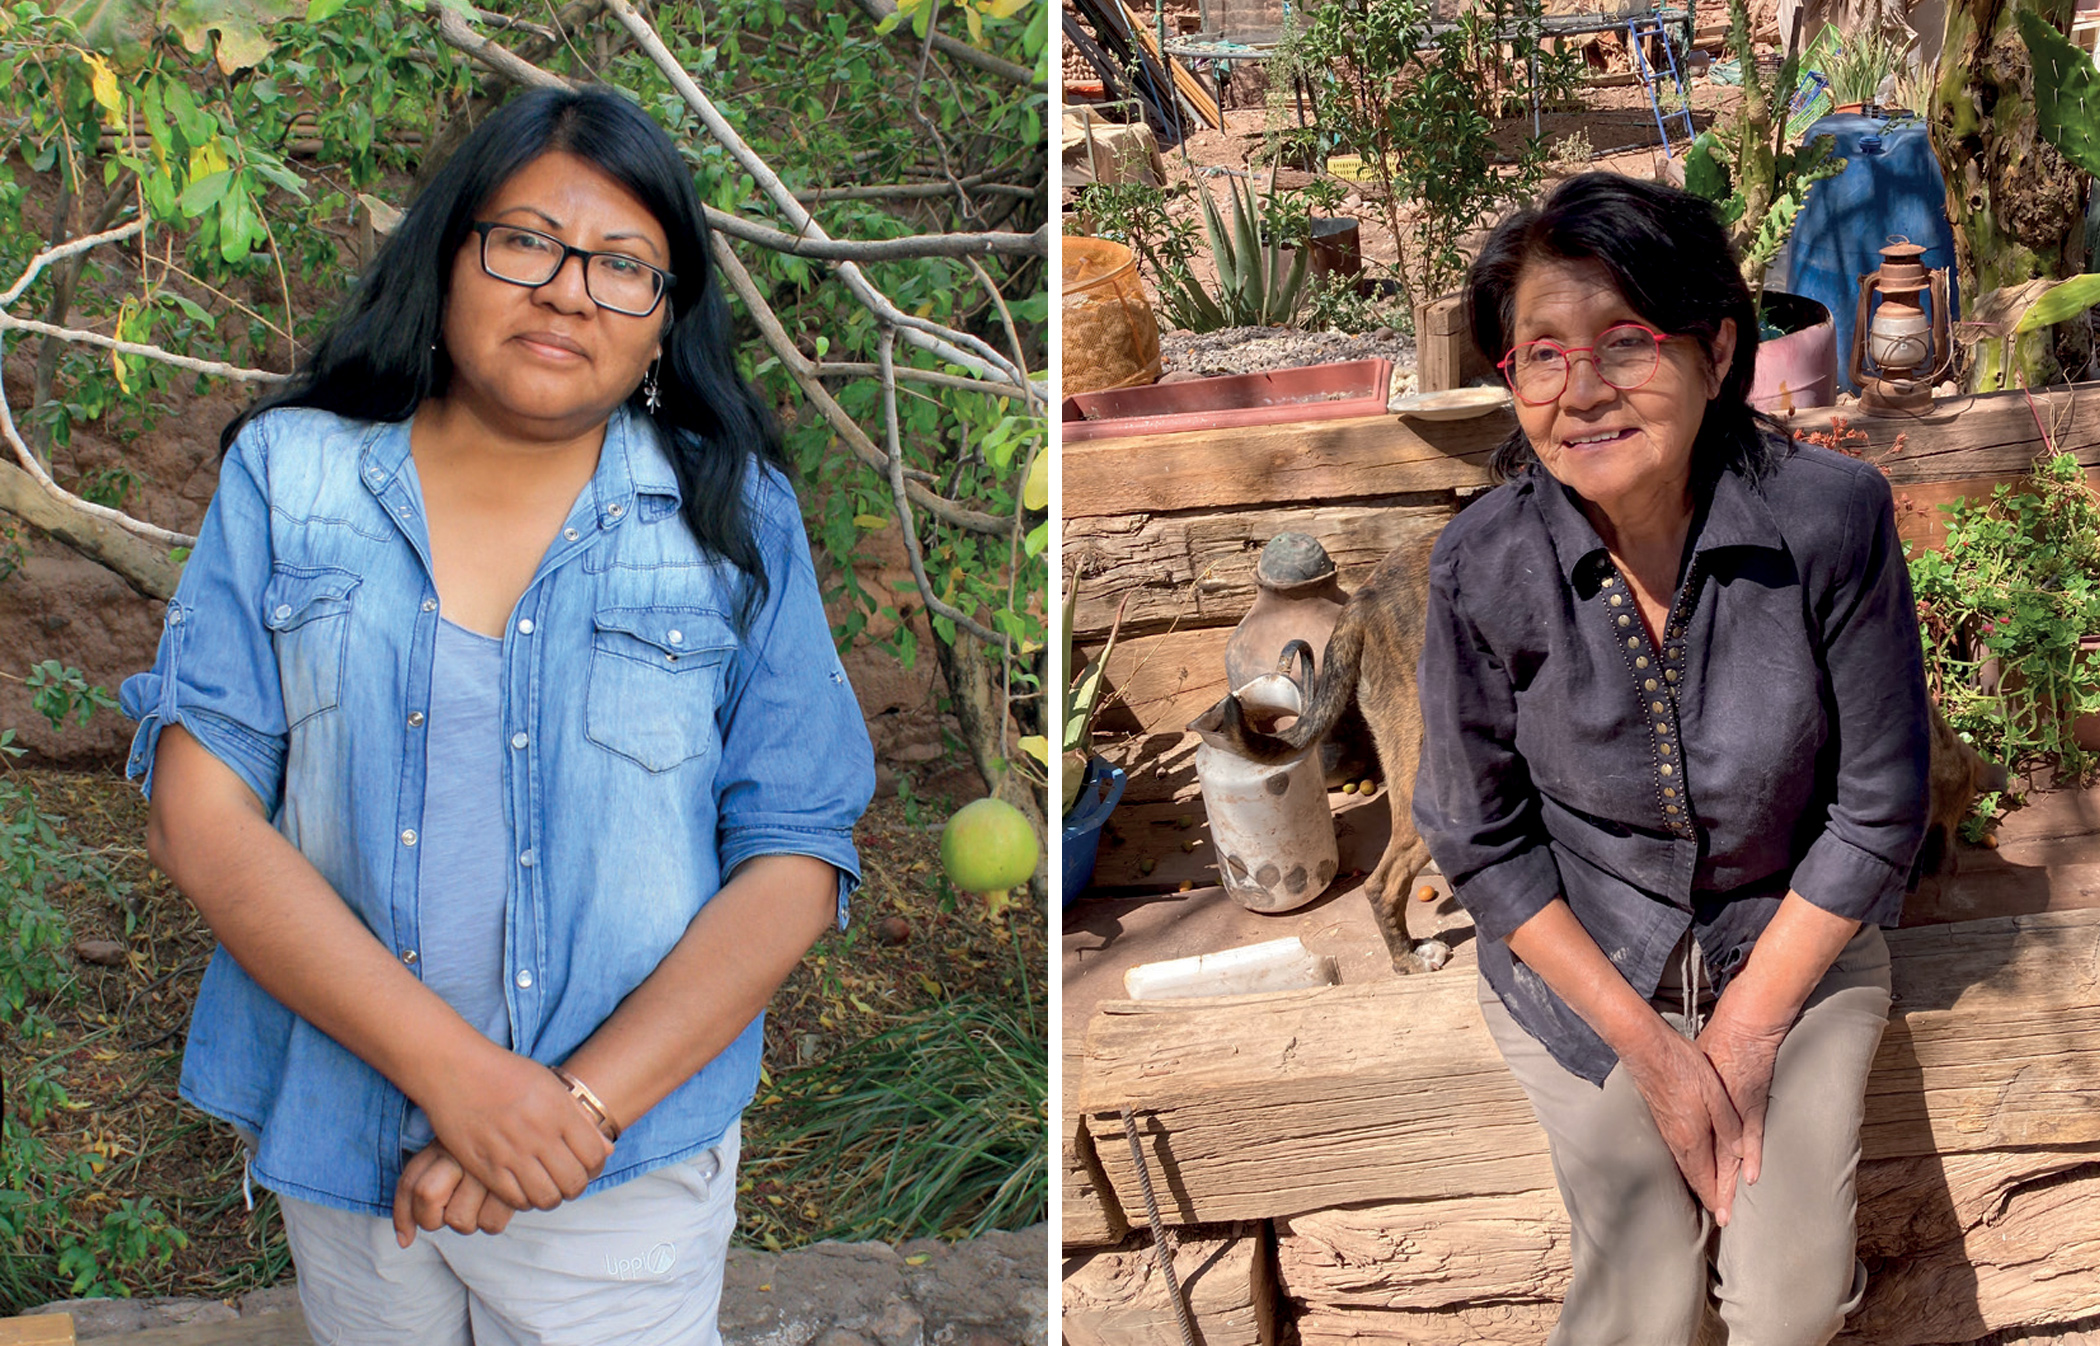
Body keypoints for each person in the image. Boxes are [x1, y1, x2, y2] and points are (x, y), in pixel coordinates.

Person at [120, 85, 875, 1345]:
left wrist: (569, 1113)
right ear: (450, 256)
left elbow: (795, 854)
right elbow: (199, 814)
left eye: (624, 264)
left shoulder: (730, 522)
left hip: (617, 1168)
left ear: (662, 322)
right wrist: (462, 1083)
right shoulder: (291, 477)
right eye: (527, 241)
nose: (571, 289)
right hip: (350, 1133)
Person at [1411, 172, 1929, 1346]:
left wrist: (1744, 1031)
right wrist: (1652, 1050)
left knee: (1788, 1302)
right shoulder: (1482, 565)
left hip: (1790, 937)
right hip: (1584, 956)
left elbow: (1877, 806)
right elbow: (1478, 837)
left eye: (1625, 342)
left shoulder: (1830, 521)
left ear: (1715, 350)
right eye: (1539, 355)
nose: (1579, 390)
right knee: (1638, 1295)